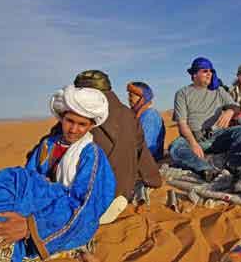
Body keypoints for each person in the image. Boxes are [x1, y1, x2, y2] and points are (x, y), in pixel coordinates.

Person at [0, 86, 116, 262]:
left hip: (65, 221)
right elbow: (29, 180)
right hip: (36, 206)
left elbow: (87, 206)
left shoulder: (91, 155)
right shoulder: (48, 145)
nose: (73, 129)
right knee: (6, 191)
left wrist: (31, 226)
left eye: (82, 124)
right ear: (61, 118)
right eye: (70, 121)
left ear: (91, 126)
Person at [28, 70, 162, 216]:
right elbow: (142, 154)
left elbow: (43, 153)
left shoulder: (85, 113)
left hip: (89, 200)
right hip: (124, 193)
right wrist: (154, 180)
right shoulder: (129, 115)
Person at [169, 57, 241, 201]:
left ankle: (231, 168)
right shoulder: (182, 93)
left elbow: (236, 107)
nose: (209, 74)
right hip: (194, 138)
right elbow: (182, 124)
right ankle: (207, 170)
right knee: (176, 147)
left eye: (211, 71)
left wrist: (229, 111)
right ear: (194, 74)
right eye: (205, 71)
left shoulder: (219, 91)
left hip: (216, 136)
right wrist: (194, 144)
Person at [127, 81, 166, 161]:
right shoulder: (139, 115)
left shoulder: (149, 115)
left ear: (142, 98)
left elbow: (146, 147)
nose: (129, 99)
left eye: (131, 96)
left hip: (148, 161)